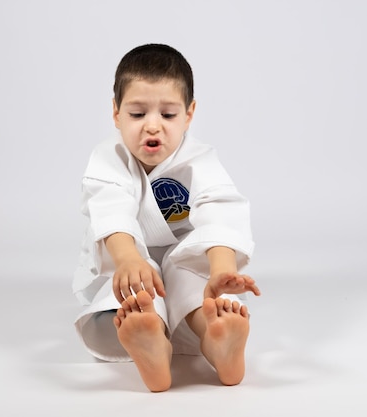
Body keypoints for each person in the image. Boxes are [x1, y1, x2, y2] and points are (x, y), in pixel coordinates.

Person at [73, 43, 260, 392]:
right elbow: (109, 206)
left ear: (189, 114)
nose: (152, 127)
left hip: (184, 254)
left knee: (196, 284)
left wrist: (221, 269)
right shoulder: (107, 157)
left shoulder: (199, 159)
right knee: (136, 293)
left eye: (168, 115)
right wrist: (128, 259)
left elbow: (219, 208)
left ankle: (216, 340)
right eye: (137, 114)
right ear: (116, 113)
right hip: (129, 252)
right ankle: (152, 339)